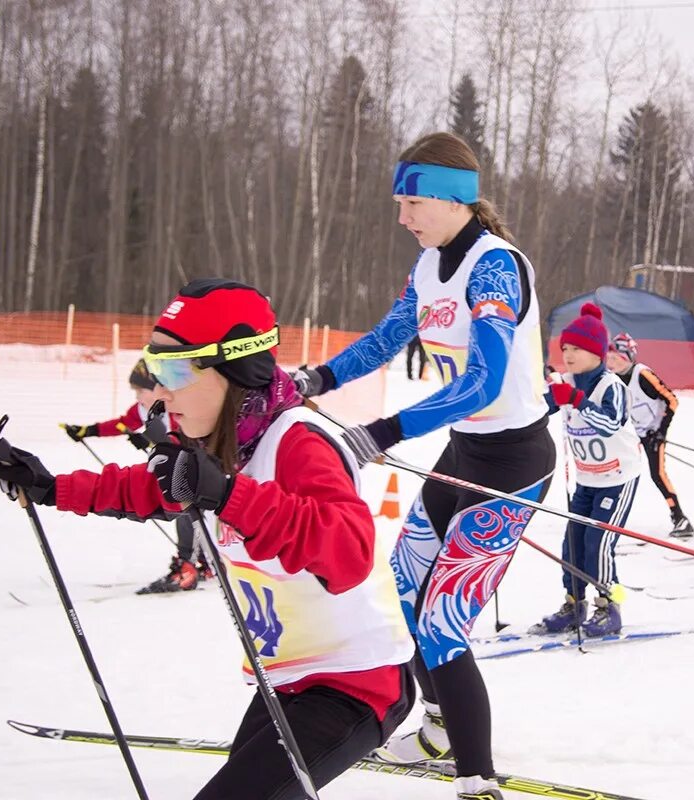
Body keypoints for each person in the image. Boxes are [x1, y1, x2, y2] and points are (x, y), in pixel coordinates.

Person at [0, 279, 415, 799]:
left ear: (237, 369)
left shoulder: (298, 441)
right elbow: (150, 489)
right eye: (154, 369)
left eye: (173, 370)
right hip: (288, 679)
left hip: (356, 684)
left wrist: (230, 494)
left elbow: (348, 551)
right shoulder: (225, 439)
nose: (160, 391)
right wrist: (52, 487)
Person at [288, 132, 555, 800]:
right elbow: (386, 339)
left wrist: (381, 432)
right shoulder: (431, 267)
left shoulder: (495, 267)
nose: (403, 216)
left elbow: (485, 383)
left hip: (513, 462)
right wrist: (314, 379)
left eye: (412, 201)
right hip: (463, 452)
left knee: (442, 625)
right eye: (400, 202)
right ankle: (437, 729)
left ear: (450, 198)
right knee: (404, 592)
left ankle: (475, 779)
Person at [534, 305, 639, 637]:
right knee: (573, 545)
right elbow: (537, 410)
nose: (568, 354)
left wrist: (576, 399)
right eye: (564, 348)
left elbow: (609, 424)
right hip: (586, 478)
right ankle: (573, 602)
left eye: (576, 348)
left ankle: (611, 606)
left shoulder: (611, 386)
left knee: (599, 544)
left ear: (596, 352)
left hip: (618, 478)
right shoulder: (565, 382)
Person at [62, 360, 206, 593]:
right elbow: (122, 424)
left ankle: (190, 566)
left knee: (188, 509)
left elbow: (188, 446)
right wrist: (87, 430)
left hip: (198, 470)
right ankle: (201, 562)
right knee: (184, 510)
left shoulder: (179, 408)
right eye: (136, 391)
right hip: (177, 471)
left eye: (142, 390)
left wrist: (152, 441)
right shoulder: (142, 409)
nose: (138, 396)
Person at [606, 331, 692, 538]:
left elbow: (672, 400)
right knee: (615, 471)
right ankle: (608, 516)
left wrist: (661, 431)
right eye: (608, 358)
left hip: (653, 432)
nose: (610, 363)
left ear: (627, 357)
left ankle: (680, 518)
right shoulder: (611, 378)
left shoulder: (642, 375)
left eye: (615, 358)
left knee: (658, 475)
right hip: (630, 435)